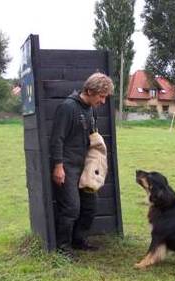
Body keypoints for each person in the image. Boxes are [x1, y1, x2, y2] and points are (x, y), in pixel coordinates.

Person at [50, 72, 114, 261]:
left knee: (90, 207)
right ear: (89, 90)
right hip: (67, 166)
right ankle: (63, 248)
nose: (103, 101)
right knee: (71, 208)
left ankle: (79, 241)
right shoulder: (67, 107)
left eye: (105, 97)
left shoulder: (91, 110)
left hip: (85, 165)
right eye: (101, 96)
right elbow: (57, 139)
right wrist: (58, 166)